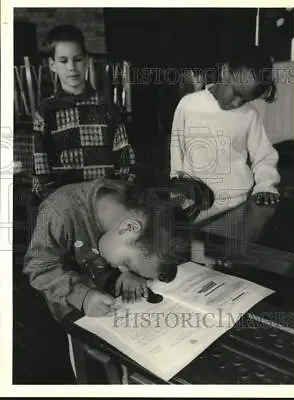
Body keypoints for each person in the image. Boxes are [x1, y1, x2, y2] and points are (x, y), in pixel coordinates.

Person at [23, 178, 193, 322]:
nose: (125, 267)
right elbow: (39, 268)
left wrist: (131, 273)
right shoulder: (58, 212)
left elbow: (141, 255)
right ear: (128, 228)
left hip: (107, 291)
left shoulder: (140, 212)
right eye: (127, 263)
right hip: (67, 299)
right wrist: (82, 296)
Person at [170, 44, 281, 220]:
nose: (236, 103)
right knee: (197, 245)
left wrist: (265, 186)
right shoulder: (188, 105)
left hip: (236, 206)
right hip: (195, 203)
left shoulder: (250, 115)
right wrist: (177, 186)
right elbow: (177, 151)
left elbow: (264, 156)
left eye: (245, 100)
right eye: (235, 93)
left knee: (230, 246)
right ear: (225, 72)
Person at [32, 25, 135, 202]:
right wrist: (51, 198)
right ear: (52, 65)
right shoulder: (46, 111)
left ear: (86, 60)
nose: (72, 67)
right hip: (63, 200)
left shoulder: (107, 107)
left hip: (105, 198)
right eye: (63, 61)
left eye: (77, 59)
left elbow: (124, 160)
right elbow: (41, 167)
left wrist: (118, 191)